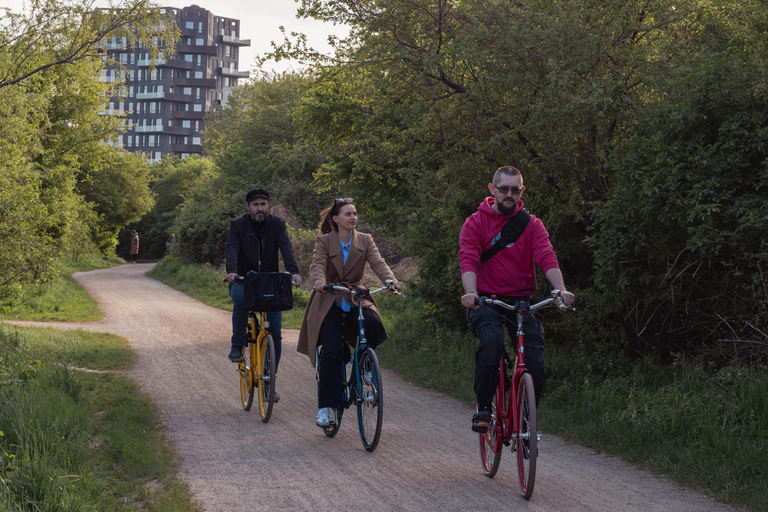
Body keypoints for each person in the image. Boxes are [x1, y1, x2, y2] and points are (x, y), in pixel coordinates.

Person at [459, 166, 575, 431]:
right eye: (504, 189)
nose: (509, 194)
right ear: (493, 189)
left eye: (515, 190)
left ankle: (524, 421)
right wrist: (471, 293)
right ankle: (484, 408)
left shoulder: (532, 224)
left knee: (536, 363)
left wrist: (560, 290)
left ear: (521, 191)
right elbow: (469, 260)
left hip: (522, 301)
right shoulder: (475, 223)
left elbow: (546, 255)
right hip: (486, 301)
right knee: (492, 341)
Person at [297, 198, 403, 428]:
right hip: (329, 296)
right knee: (332, 352)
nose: (353, 217)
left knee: (374, 324)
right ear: (336, 219)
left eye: (355, 213)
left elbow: (378, 262)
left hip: (355, 296)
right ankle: (326, 407)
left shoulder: (365, 240)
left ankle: (363, 366)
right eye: (348, 214)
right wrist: (319, 281)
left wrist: (390, 280)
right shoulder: (324, 241)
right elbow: (317, 264)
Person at [224, 188, 302, 402]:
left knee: (275, 333)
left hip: (269, 280)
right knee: (240, 300)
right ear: (248, 207)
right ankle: (238, 343)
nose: (260, 208)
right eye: (256, 204)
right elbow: (231, 248)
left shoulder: (277, 224)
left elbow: (286, 248)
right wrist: (231, 271)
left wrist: (293, 271)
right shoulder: (237, 225)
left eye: (263, 204)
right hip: (244, 279)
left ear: (268, 206)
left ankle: (269, 379)